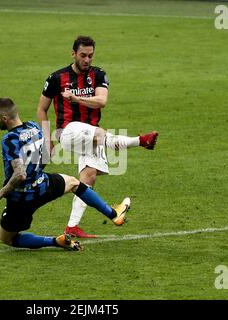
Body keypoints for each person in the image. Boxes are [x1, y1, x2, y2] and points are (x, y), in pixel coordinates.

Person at [37, 35, 158, 238]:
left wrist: (76, 98)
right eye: (83, 55)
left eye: (90, 56)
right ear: (73, 54)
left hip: (90, 133)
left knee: (88, 177)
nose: (87, 60)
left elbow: (101, 101)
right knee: (101, 134)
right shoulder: (56, 78)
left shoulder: (99, 75)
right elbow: (42, 109)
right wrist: (47, 139)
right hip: (67, 131)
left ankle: (71, 227)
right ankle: (141, 141)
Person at [0, 98, 131, 251]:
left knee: (8, 239)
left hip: (21, 199)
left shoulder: (9, 139)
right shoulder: (34, 127)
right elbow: (47, 155)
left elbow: (20, 175)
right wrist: (36, 172)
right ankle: (113, 214)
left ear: (5, 118)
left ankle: (54, 241)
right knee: (74, 183)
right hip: (42, 185)